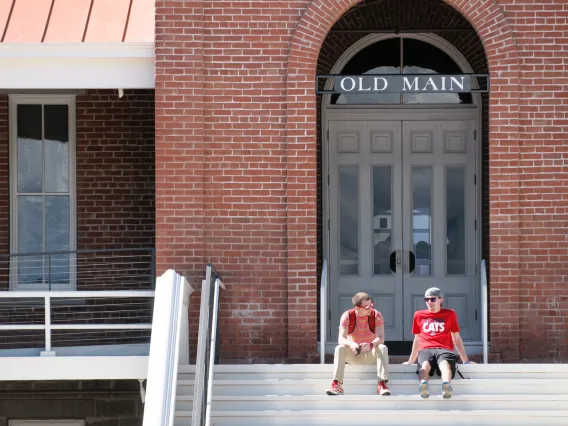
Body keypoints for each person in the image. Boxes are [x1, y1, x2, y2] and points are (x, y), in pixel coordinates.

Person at [405, 287, 471, 399]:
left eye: (432, 299)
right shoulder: (418, 315)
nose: (429, 302)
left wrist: (466, 360)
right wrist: (410, 361)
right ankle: (423, 385)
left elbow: (456, 337)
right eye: (426, 299)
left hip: (444, 348)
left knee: (444, 364)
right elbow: (417, 339)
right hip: (426, 348)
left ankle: (446, 385)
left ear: (440, 300)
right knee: (424, 364)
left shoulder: (450, 314)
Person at [326, 292, 391, 396]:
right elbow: (341, 339)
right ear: (357, 308)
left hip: (370, 354)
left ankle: (382, 384)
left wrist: (370, 344)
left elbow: (381, 338)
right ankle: (337, 384)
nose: (370, 309)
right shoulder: (347, 316)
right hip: (354, 354)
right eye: (366, 307)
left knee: (382, 347)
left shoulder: (376, 315)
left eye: (371, 305)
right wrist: (351, 344)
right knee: (339, 348)